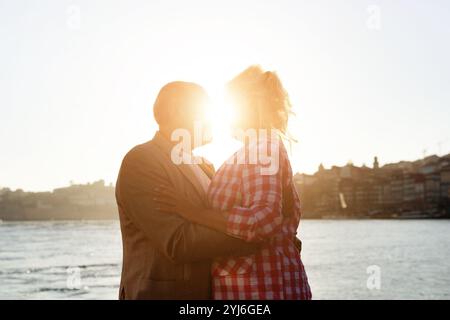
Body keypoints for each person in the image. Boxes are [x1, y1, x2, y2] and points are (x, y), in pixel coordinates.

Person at [154, 66, 312, 300]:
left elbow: (263, 220)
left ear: (249, 106)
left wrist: (191, 212)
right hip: (259, 285)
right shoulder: (256, 149)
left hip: (264, 288)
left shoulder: (262, 148)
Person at [115, 81, 258, 299]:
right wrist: (254, 235)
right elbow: (178, 242)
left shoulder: (205, 165)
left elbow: (228, 215)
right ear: (177, 111)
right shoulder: (142, 161)